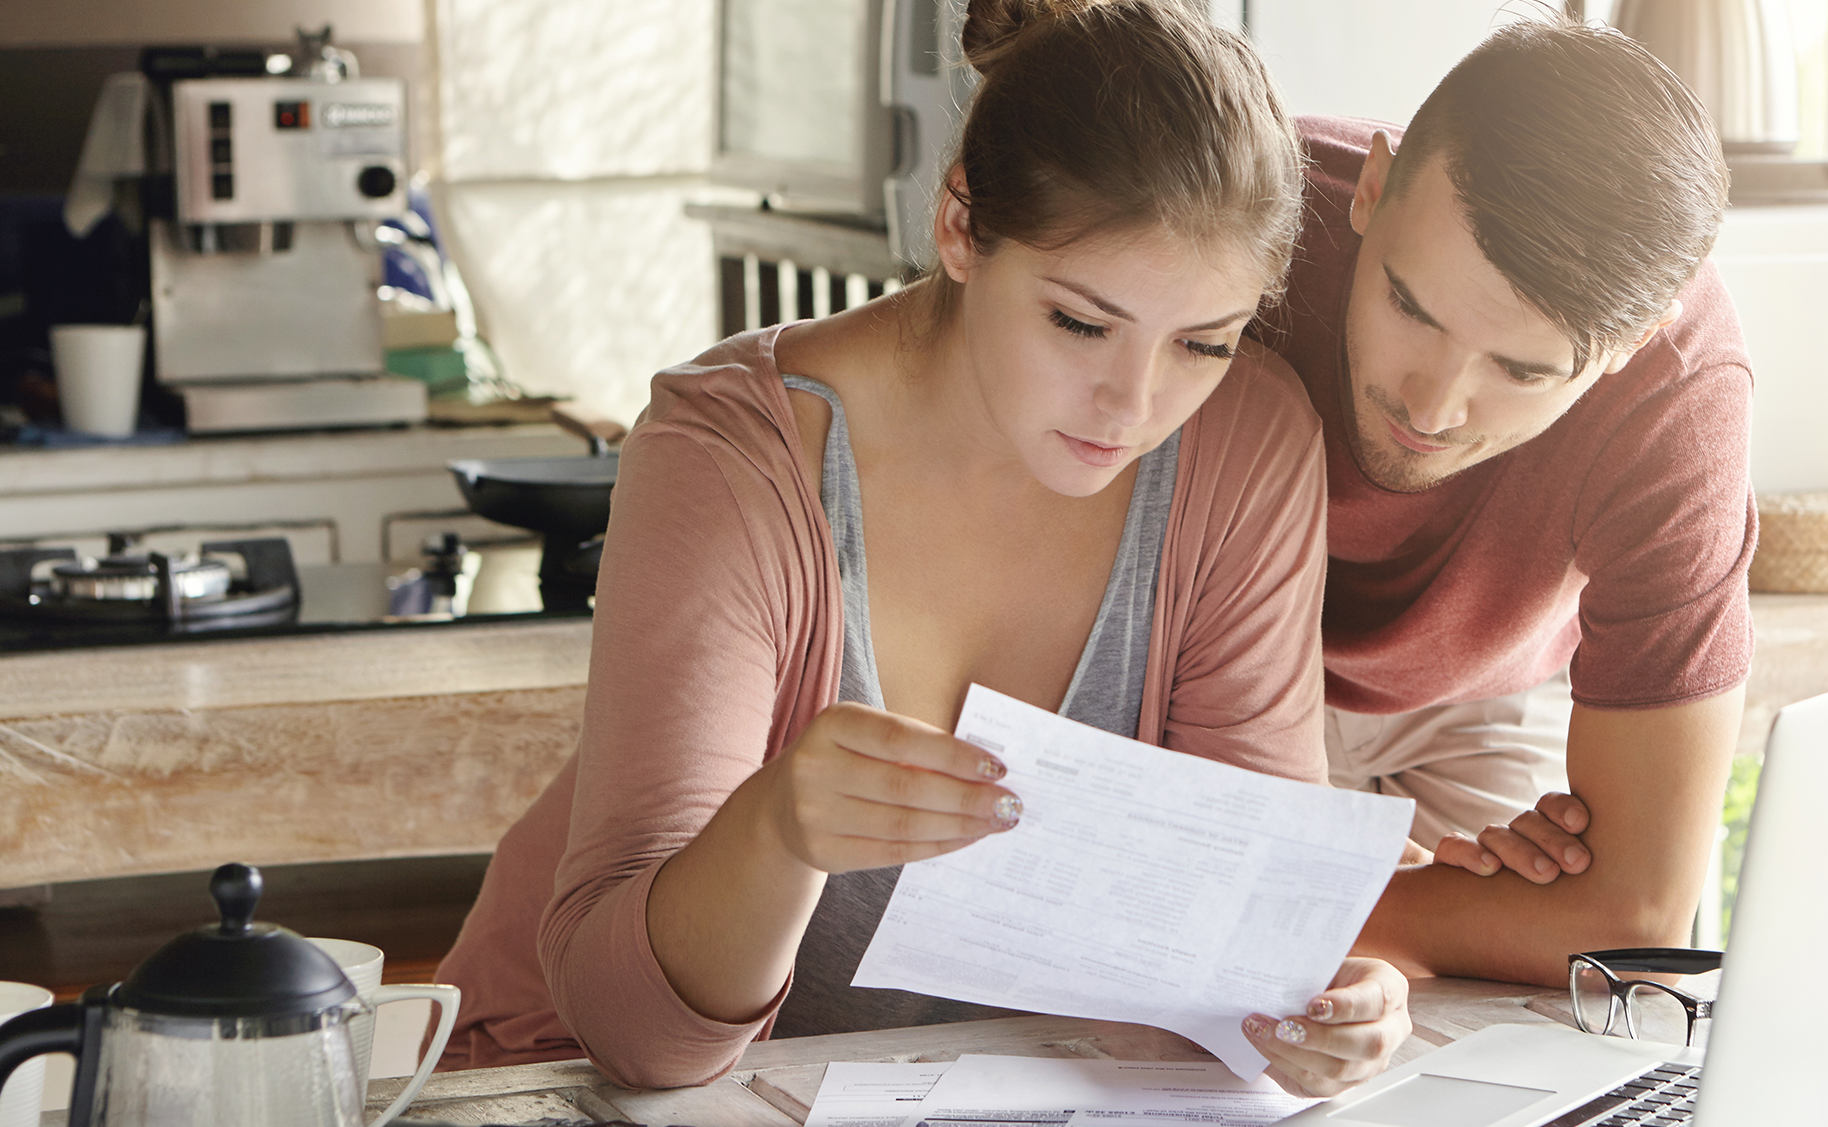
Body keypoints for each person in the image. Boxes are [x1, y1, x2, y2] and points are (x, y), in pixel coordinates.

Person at [434, 0, 1409, 1095]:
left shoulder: (1247, 443)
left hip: (967, 1094)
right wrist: (777, 830)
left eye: (1203, 343)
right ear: (958, 226)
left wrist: (1317, 1005)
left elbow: (1231, 937)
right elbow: (640, 1042)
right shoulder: (729, 453)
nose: (1133, 403)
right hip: (570, 1079)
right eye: (1080, 323)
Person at [1249, 19, 1757, 987]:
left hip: (1483, 693)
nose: (1431, 406)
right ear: (1370, 188)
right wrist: (1374, 899)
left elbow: (1635, 918)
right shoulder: (1250, 213)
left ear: (1631, 344)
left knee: (1531, 1025)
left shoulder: (1681, 390)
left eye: (1520, 369)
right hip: (1228, 671)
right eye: (1409, 306)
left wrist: (1304, 895)